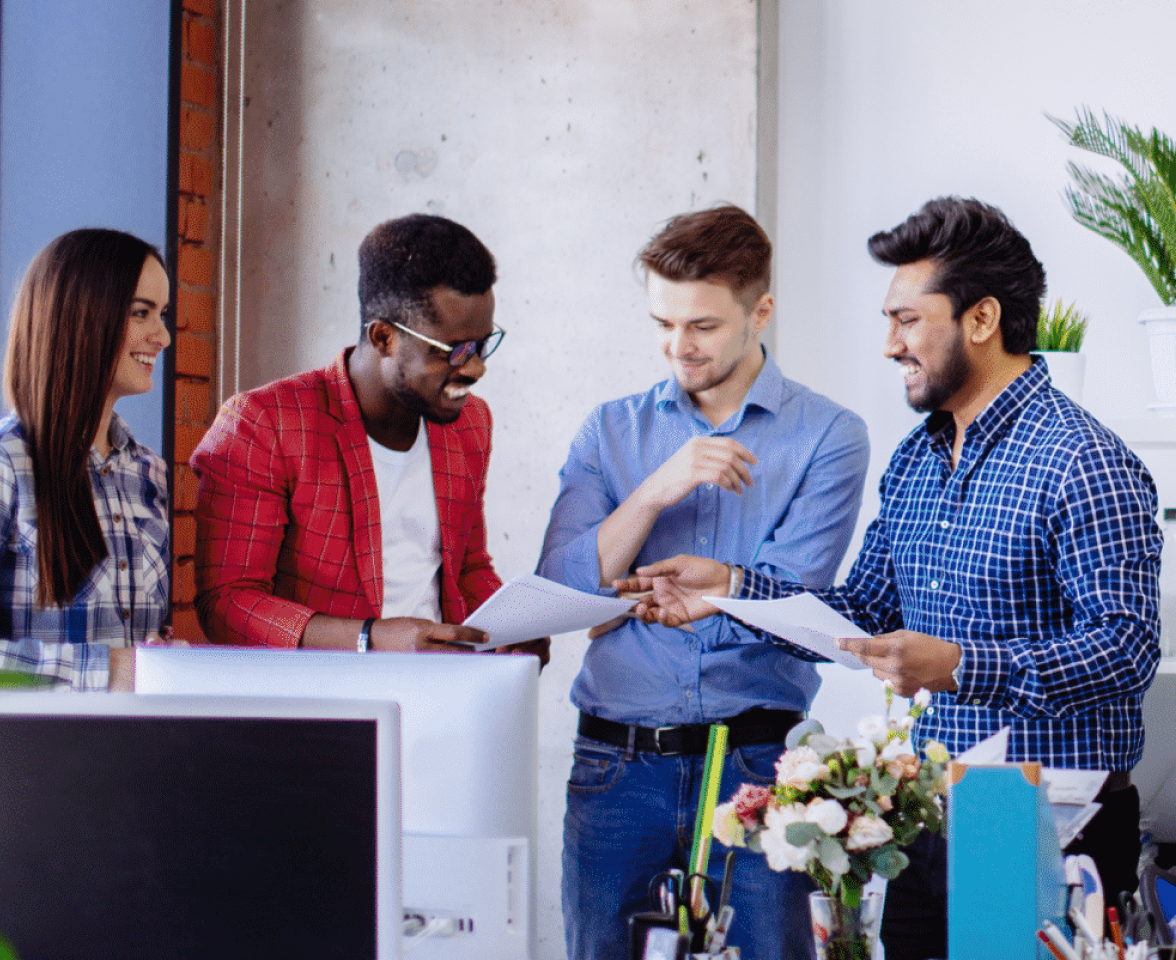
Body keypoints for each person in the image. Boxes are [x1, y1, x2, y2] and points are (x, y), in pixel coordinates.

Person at [617, 197, 1162, 960]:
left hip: (1031, 810)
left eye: (907, 320)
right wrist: (730, 589)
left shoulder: (1084, 461)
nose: (889, 345)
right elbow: (862, 610)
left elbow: (1126, 648)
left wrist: (963, 665)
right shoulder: (916, 459)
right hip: (929, 809)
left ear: (980, 320)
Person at [537, 204, 870, 960]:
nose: (677, 348)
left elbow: (793, 604)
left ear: (761, 312)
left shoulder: (828, 435)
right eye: (663, 324)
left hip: (756, 765)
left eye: (702, 327)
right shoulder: (610, 430)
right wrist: (658, 488)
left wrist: (649, 598)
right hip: (615, 766)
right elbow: (561, 586)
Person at [191, 213, 547, 663]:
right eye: (454, 350)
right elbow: (228, 602)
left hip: (444, 699)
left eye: (482, 345)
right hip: (318, 714)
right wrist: (370, 638)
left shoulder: (470, 422)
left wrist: (509, 631)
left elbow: (467, 566)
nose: (476, 368)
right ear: (384, 337)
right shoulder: (264, 423)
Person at [0, 228, 175, 692]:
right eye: (142, 313)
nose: (163, 336)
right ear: (79, 317)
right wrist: (110, 670)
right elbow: (122, 669)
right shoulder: (7, 466)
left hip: (135, 752)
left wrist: (161, 657)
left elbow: (141, 643)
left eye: (162, 314)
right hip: (33, 761)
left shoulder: (149, 473)